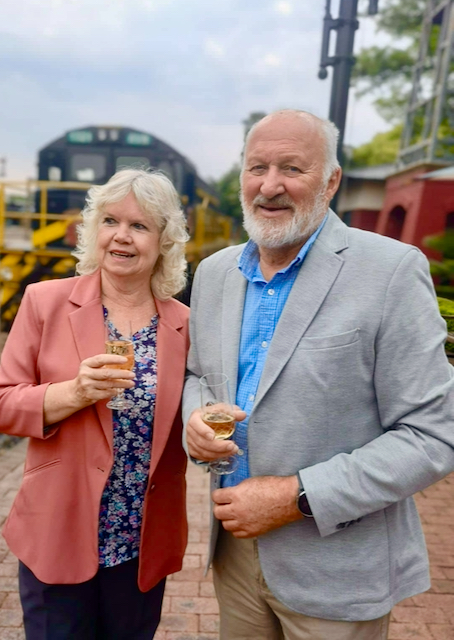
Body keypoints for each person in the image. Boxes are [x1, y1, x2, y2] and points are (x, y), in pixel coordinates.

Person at [183, 109, 454, 640]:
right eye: (256, 167)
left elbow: (433, 435)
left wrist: (295, 497)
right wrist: (196, 416)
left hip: (338, 569)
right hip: (234, 555)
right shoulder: (215, 273)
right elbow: (198, 375)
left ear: (331, 181)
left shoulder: (392, 271)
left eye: (292, 168)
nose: (270, 185)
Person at [0, 168, 190, 639]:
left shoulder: (184, 324)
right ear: (93, 230)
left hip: (140, 539)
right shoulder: (44, 301)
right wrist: (73, 393)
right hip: (58, 530)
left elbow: (195, 418)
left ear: (164, 241)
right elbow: (0, 405)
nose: (122, 236)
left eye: (140, 226)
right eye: (110, 221)